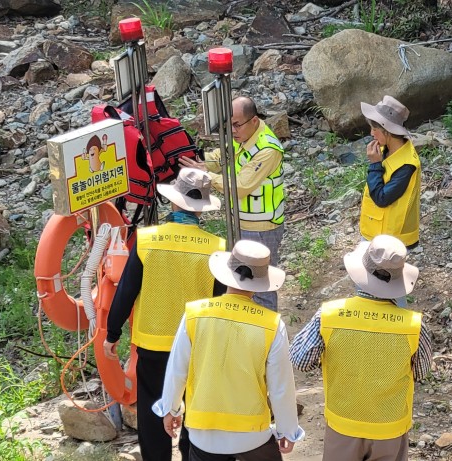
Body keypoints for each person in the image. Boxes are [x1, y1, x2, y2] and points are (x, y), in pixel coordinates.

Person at [103, 168, 226, 461]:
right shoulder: (216, 247)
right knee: (193, 411)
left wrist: (112, 334)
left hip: (154, 344)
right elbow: (220, 302)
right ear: (201, 208)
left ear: (173, 202)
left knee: (152, 411)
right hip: (197, 346)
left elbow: (127, 291)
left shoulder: (147, 239)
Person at [153, 239, 304, 461]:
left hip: (203, 432)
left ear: (226, 273)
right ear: (262, 281)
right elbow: (281, 386)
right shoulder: (271, 324)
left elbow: (178, 369)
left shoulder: (195, 314)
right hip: (252, 432)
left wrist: (171, 409)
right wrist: (287, 430)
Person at [289, 235, 433, 461]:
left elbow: (300, 361)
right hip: (390, 426)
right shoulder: (414, 325)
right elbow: (421, 372)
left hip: (343, 423)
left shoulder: (329, 315)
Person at [180, 96, 287, 311]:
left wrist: (208, 176)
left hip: (262, 229)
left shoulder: (268, 150)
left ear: (254, 121)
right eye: (229, 125)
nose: (233, 131)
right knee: (241, 282)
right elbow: (224, 155)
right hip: (242, 223)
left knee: (261, 288)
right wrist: (203, 161)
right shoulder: (245, 137)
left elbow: (241, 186)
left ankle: (268, 334)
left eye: (237, 125)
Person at [358, 95, 422, 249]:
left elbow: (382, 198)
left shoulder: (407, 165)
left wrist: (375, 165)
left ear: (386, 130)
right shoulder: (384, 149)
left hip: (390, 242)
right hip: (376, 232)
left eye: (375, 129)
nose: (371, 133)